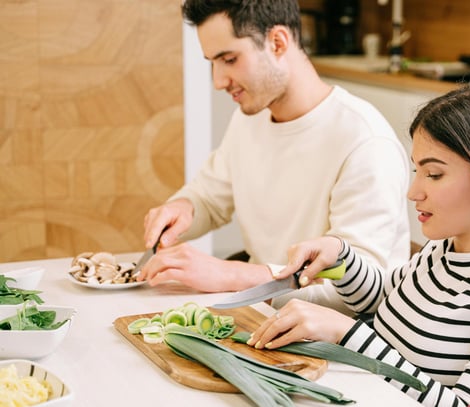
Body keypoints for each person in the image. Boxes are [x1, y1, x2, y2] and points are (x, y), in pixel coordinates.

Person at [249, 79, 470, 406]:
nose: (413, 193)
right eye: (416, 172)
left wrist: (347, 334)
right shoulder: (444, 251)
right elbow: (385, 299)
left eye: (434, 174)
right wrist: (341, 257)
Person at [137, 0, 411, 314]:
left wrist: (230, 274)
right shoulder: (249, 118)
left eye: (229, 59)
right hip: (263, 315)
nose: (218, 81)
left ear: (277, 42)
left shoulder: (365, 141)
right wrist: (183, 207)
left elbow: (354, 286)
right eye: (212, 62)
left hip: (340, 338)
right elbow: (210, 199)